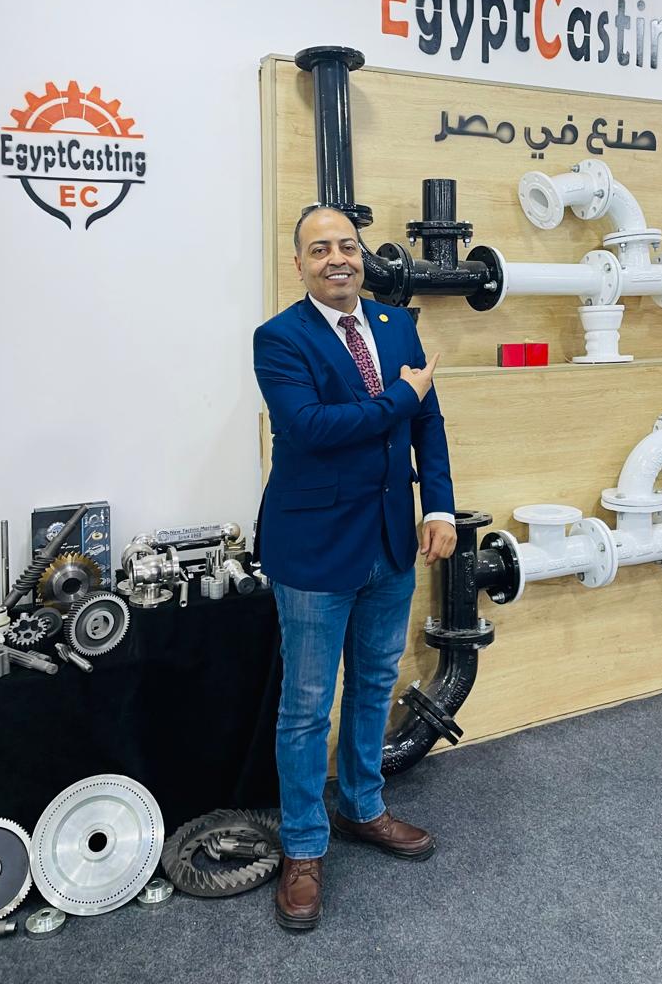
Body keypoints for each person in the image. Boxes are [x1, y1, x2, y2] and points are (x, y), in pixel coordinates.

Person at [253, 205, 456, 932]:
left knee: (374, 683)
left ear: (362, 256)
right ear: (299, 264)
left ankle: (362, 807)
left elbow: (427, 424)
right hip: (313, 548)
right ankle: (304, 847)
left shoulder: (398, 325)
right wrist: (403, 393)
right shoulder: (280, 338)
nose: (337, 258)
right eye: (319, 249)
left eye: (347, 245)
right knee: (307, 706)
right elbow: (311, 429)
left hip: (391, 541)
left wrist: (438, 506)